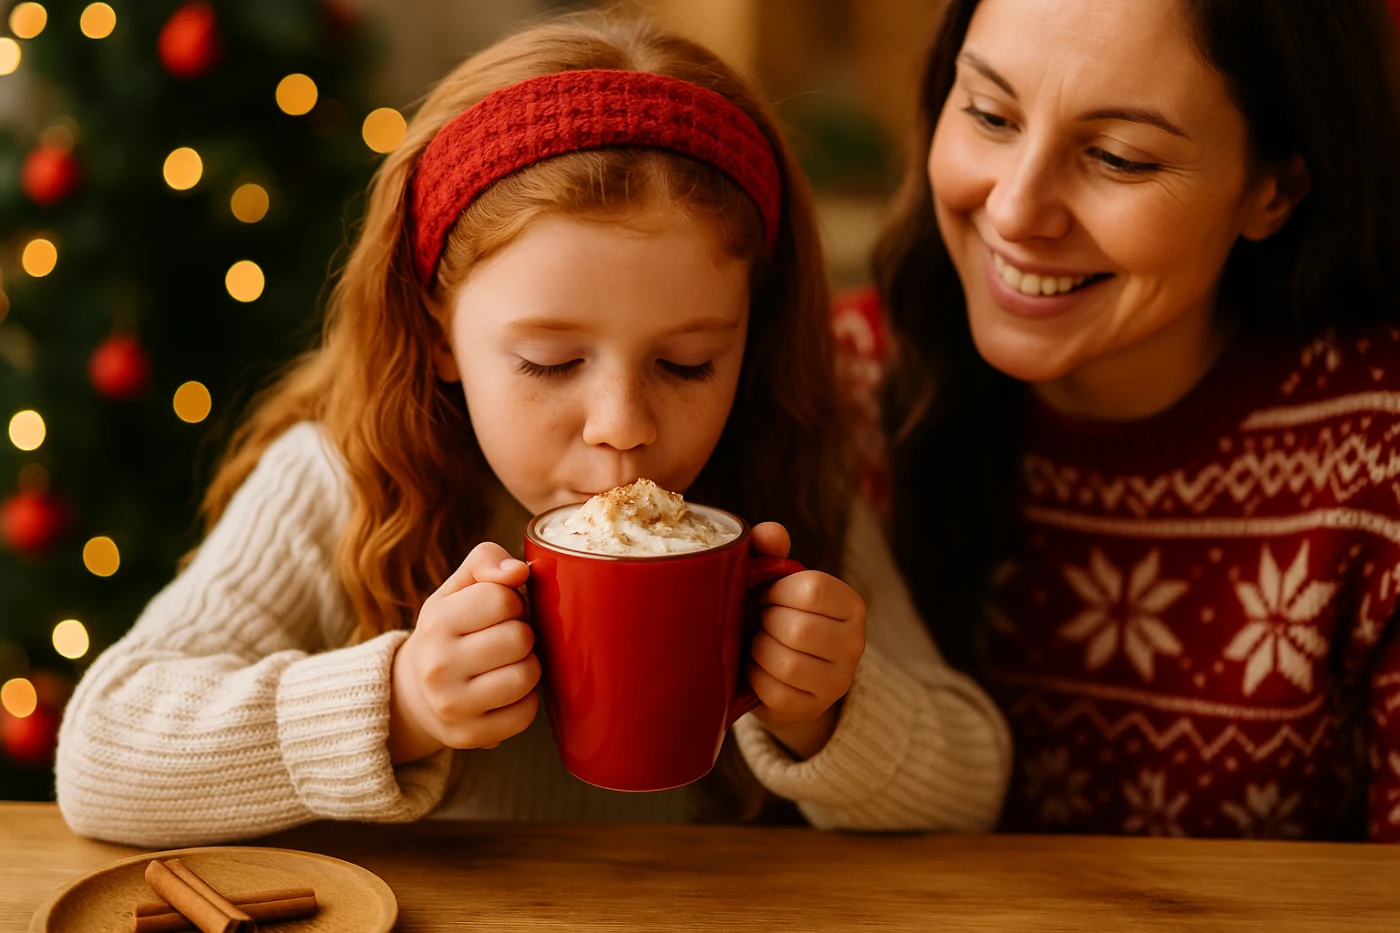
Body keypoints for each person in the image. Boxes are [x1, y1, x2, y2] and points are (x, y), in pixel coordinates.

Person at [54, 11, 1010, 847]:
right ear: (437, 333)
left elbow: (974, 779)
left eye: (689, 363)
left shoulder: (787, 488)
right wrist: (398, 706)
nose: (623, 429)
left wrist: (828, 711)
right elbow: (102, 752)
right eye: (551, 363)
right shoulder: (342, 482)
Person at [874, 0, 1400, 841]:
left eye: (1118, 158)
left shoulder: (1379, 456)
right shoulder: (834, 391)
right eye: (989, 114)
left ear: (1275, 188)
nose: (1015, 211)